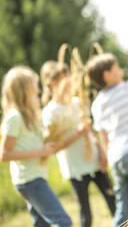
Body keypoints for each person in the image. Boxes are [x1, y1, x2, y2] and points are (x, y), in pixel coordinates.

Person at [40, 61, 116, 227]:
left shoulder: (77, 102)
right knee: (85, 213)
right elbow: (54, 147)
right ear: (50, 82)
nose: (67, 79)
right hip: (75, 168)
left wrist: (101, 153)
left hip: (94, 161)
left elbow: (91, 133)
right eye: (61, 76)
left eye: (67, 74)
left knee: (113, 201)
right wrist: (77, 135)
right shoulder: (50, 112)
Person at [86, 53, 128, 227]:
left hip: (116, 157)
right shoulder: (127, 88)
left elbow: (103, 135)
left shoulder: (97, 103)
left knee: (123, 206)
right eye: (116, 67)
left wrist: (109, 155)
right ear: (107, 75)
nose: (121, 69)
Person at [0, 66, 72, 227]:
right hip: (29, 180)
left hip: (35, 177)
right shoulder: (15, 117)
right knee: (63, 221)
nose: (38, 92)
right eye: (34, 87)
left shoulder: (30, 116)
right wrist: (40, 151)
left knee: (41, 224)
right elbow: (4, 154)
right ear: (23, 90)